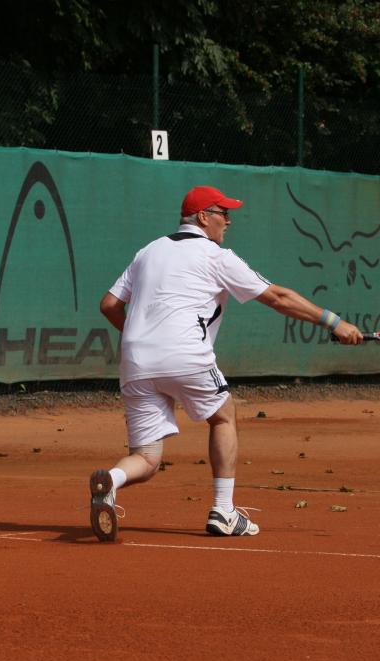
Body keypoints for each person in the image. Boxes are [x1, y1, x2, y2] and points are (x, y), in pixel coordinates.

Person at [91, 185, 363, 542]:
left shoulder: (148, 251)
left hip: (135, 360)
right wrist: (334, 322)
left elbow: (109, 305)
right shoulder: (216, 256)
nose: (229, 221)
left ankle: (111, 481)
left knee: (147, 458)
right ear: (204, 217)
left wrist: (145, 337)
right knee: (223, 415)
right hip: (185, 353)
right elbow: (278, 297)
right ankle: (223, 511)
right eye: (224, 213)